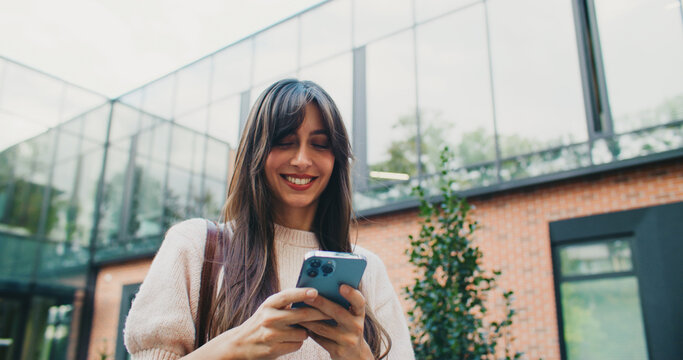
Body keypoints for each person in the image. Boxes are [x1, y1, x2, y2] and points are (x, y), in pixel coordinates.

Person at [124, 79, 414, 359]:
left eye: (321, 144)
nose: (302, 159)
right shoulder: (194, 246)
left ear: (336, 159)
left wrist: (358, 356)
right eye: (285, 141)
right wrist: (235, 346)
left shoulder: (368, 270)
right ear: (255, 152)